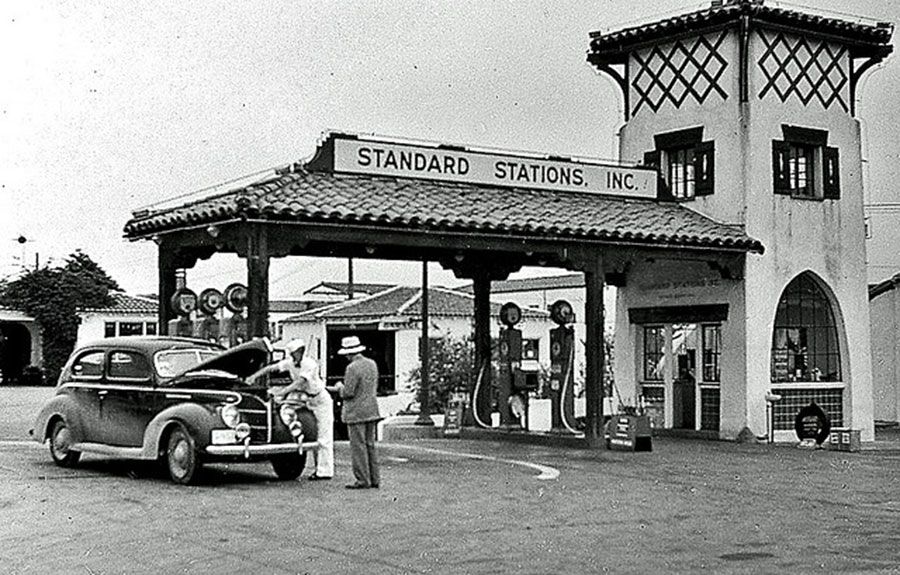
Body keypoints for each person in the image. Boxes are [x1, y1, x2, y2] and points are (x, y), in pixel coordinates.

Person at [247, 338, 333, 481]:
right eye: (293, 353)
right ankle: (291, 432)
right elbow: (272, 368)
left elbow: (300, 382)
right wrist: (253, 376)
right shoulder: (290, 363)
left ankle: (324, 471)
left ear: (301, 352)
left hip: (319, 399)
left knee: (324, 437)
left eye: (297, 352)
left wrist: (280, 392)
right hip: (303, 399)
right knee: (285, 409)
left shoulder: (310, 364)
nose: (295, 355)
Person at [332, 335, 381, 489]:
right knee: (370, 445)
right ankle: (374, 478)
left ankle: (362, 479)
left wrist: (339, 387)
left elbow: (348, 392)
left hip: (356, 412)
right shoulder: (372, 364)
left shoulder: (352, 368)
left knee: (358, 446)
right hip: (371, 409)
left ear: (349, 353)